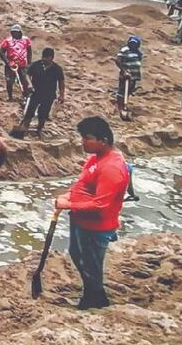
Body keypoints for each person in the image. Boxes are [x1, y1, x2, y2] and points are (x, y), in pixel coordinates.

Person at [54, 117, 131, 309]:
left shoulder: (112, 168)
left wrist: (69, 204)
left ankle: (95, 299)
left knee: (91, 264)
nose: (82, 142)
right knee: (77, 254)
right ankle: (91, 292)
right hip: (81, 220)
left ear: (103, 140)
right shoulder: (96, 157)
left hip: (95, 226)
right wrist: (69, 195)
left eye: (87, 138)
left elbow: (101, 206)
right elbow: (83, 183)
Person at [22, 48, 65, 137]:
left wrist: (61, 95)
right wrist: (29, 84)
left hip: (48, 95)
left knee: (43, 113)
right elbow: (27, 74)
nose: (44, 59)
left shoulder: (57, 69)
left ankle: (39, 130)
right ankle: (23, 130)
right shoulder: (36, 65)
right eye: (43, 57)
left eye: (47, 58)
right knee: (30, 111)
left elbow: (61, 82)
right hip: (35, 92)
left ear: (51, 58)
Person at [0, 25, 32, 101]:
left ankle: (26, 97)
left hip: (23, 65)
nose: (14, 34)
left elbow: (29, 51)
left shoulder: (26, 40)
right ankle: (10, 97)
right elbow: (1, 52)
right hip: (11, 65)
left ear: (20, 32)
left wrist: (29, 63)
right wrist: (8, 62)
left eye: (16, 32)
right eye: (13, 32)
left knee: (24, 82)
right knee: (9, 81)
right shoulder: (7, 41)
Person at [115, 35, 142, 113]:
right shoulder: (124, 50)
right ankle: (121, 107)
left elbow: (138, 61)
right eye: (131, 43)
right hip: (125, 75)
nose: (133, 45)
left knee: (129, 90)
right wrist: (124, 71)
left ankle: (124, 104)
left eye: (135, 44)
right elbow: (118, 61)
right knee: (122, 91)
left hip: (134, 76)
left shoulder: (138, 53)